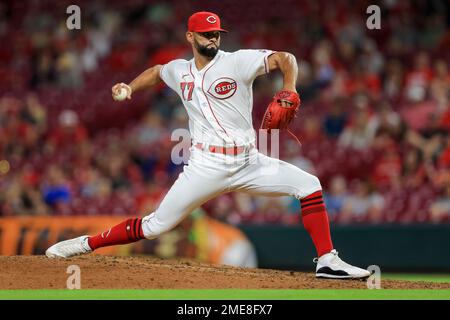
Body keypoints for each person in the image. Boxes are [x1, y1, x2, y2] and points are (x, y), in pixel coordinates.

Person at [46, 11, 370, 279]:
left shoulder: (238, 62)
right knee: (156, 226)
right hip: (205, 166)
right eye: (205, 35)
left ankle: (327, 259)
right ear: (191, 37)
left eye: (216, 34)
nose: (213, 39)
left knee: (309, 185)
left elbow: (287, 58)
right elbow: (158, 72)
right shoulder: (180, 70)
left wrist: (290, 87)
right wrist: (130, 88)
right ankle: (84, 245)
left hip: (248, 162)